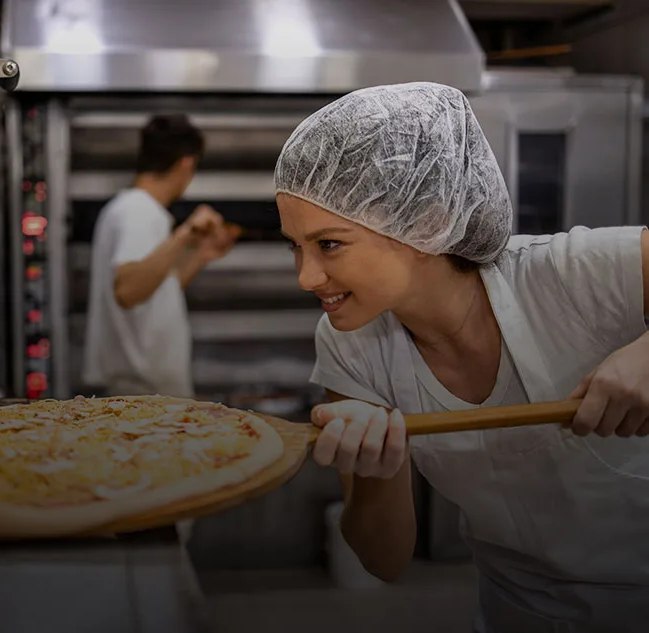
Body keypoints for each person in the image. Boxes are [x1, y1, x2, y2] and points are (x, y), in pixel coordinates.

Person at [274, 82, 649, 632]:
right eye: (295, 246)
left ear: (425, 221)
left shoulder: (570, 275)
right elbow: (384, 561)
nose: (306, 277)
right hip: (517, 614)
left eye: (329, 244)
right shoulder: (348, 343)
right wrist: (378, 470)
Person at [83, 113, 240, 398]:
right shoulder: (138, 211)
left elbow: (156, 290)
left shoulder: (131, 209)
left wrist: (201, 255)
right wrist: (185, 233)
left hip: (145, 392)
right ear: (187, 163)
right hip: (143, 396)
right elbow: (128, 291)